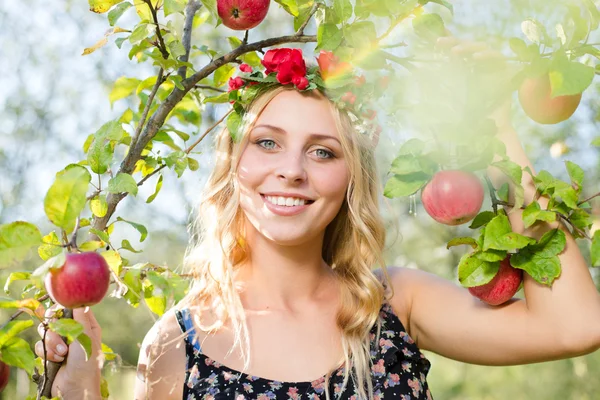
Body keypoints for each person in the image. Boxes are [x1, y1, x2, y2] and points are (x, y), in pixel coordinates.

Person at [35, 39, 600, 400]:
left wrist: (496, 127)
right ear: (234, 165)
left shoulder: (393, 305)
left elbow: (575, 325)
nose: (292, 171)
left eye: (323, 151)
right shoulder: (179, 346)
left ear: (351, 177)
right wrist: (82, 389)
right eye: (267, 143)